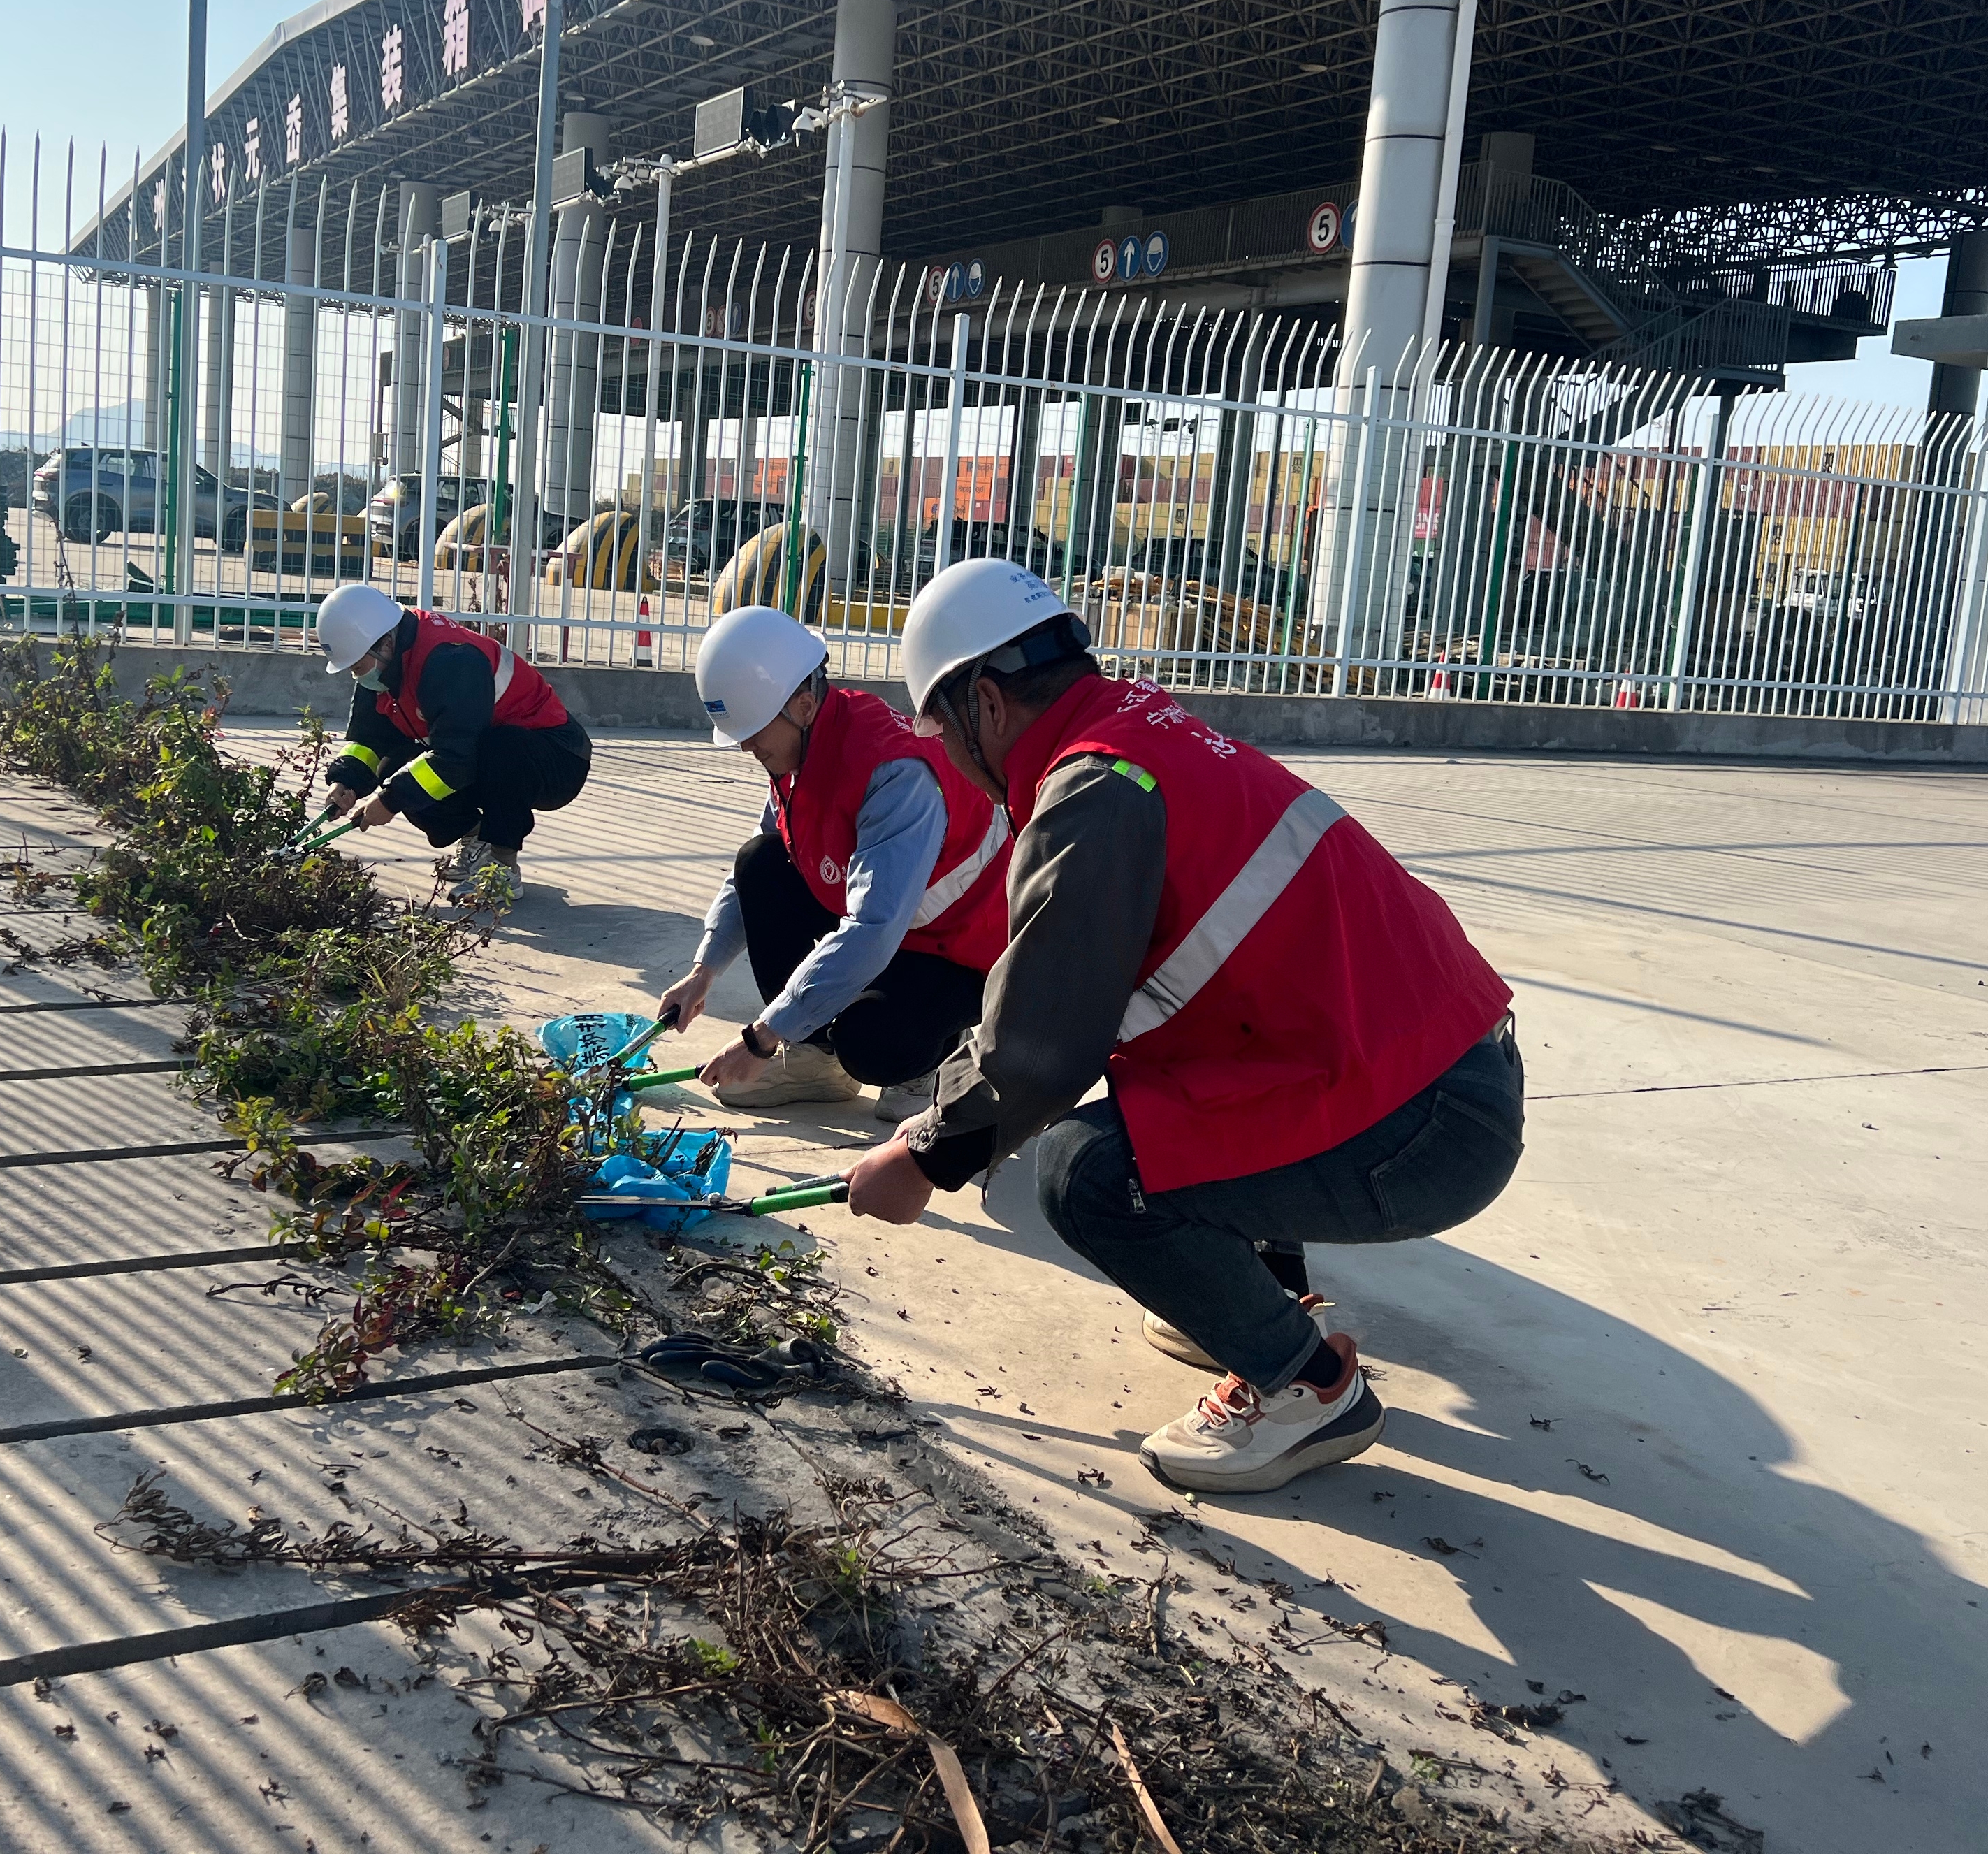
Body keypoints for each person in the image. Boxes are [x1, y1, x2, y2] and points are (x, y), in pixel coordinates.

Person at [842, 559, 1521, 1495]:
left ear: (987, 703)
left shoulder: (1094, 794)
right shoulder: (1142, 735)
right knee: (1162, 1080)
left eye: (942, 727)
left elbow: (1039, 1050)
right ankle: (1260, 1302)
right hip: (1436, 1072)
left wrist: (923, 1157)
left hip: (1427, 1124)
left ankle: (1310, 1384)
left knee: (1085, 1175)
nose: (948, 754)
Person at [658, 605, 1010, 1120]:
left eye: (754, 731)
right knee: (761, 863)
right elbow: (757, 868)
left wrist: (762, 1038)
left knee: (872, 1045)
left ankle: (931, 1059)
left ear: (802, 705)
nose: (747, 746)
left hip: (963, 947)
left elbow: (873, 927)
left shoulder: (894, 773)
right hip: (898, 922)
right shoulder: (797, 752)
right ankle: (813, 1064)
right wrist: (702, 974)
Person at [312, 583, 591, 895]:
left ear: (385, 644)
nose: (357, 676)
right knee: (398, 770)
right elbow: (370, 738)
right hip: (486, 752)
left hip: (556, 756)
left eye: (359, 666)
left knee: (501, 749)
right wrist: (346, 782)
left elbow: (456, 757)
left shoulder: (450, 660)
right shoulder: (384, 666)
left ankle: (501, 866)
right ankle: (476, 837)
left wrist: (389, 802)